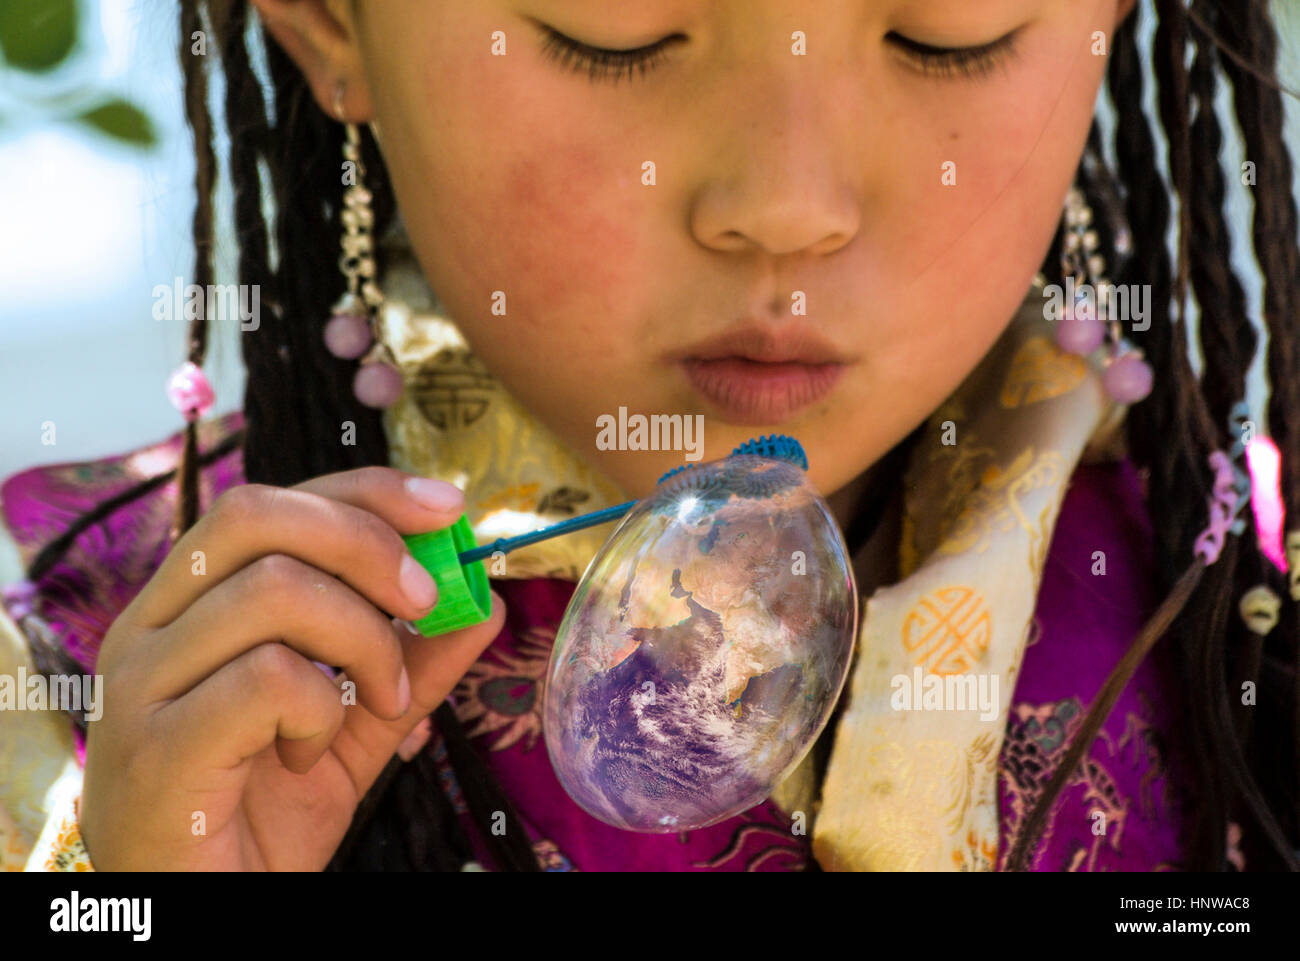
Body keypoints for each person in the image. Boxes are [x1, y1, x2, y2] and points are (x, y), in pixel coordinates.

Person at [2, 0, 1297, 872]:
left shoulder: (1263, 594)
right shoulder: (66, 672)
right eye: (616, 30)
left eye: (943, 30)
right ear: (333, 17)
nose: (786, 206)